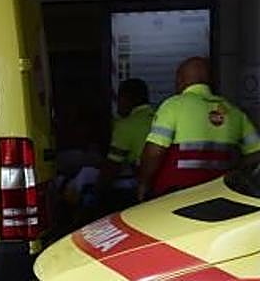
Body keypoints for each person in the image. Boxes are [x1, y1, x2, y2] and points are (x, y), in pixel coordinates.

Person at [137, 57, 260, 200]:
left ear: (180, 79)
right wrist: (235, 170)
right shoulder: (234, 112)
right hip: (220, 195)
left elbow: (154, 153)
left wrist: (143, 183)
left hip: (175, 196)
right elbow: (257, 153)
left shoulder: (173, 106)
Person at [99, 78, 154, 211]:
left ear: (128, 99)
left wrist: (96, 193)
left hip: (141, 189)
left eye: (119, 98)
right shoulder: (158, 117)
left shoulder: (126, 125)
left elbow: (111, 168)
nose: (118, 104)